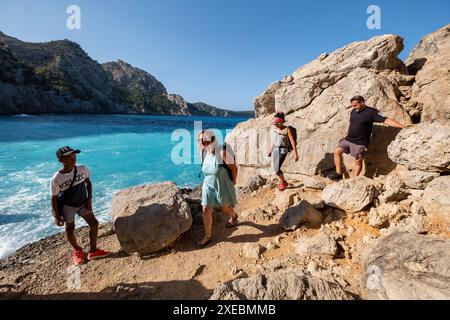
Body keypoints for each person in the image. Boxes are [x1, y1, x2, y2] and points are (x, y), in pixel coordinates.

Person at [50, 146, 111, 265]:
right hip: (68, 206)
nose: (73, 159)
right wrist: (56, 216)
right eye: (69, 157)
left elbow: (88, 184)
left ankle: (93, 251)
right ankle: (77, 250)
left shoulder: (82, 168)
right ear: (61, 160)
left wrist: (89, 201)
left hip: (83, 202)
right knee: (69, 229)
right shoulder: (56, 178)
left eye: (74, 156)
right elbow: (54, 198)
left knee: (94, 223)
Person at [329, 95, 407, 181]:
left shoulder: (372, 112)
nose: (354, 107)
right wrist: (347, 135)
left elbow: (386, 120)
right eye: (352, 106)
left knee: (358, 161)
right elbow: (353, 124)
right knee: (336, 152)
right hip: (348, 139)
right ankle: (339, 173)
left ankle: (354, 179)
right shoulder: (353, 111)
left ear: (362, 102)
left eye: (355, 105)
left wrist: (402, 126)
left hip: (360, 143)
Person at [195, 130, 238, 247]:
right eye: (200, 140)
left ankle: (234, 216)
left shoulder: (221, 151)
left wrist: (233, 181)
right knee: (206, 209)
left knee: (225, 209)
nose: (202, 143)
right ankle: (207, 236)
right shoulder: (203, 152)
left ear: (212, 139)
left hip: (222, 184)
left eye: (204, 140)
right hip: (208, 184)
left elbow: (234, 168)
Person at [267, 112, 299, 191]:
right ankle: (282, 181)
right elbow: (274, 141)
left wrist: (295, 153)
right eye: (274, 124)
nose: (275, 125)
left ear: (281, 122)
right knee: (275, 168)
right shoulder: (276, 129)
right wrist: (270, 150)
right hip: (275, 150)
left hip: (283, 150)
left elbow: (292, 141)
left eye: (276, 123)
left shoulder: (287, 129)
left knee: (277, 169)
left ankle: (284, 182)